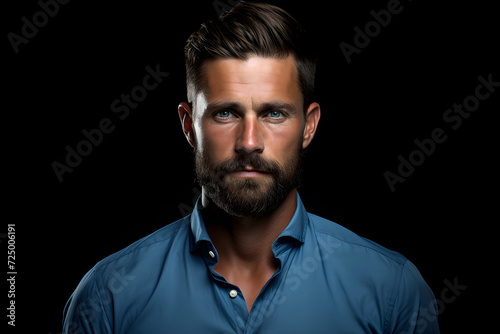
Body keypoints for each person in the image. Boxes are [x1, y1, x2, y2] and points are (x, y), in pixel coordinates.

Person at [62, 2, 439, 333]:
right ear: (187, 125)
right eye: (226, 113)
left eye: (274, 113)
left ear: (308, 126)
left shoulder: (393, 292)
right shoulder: (108, 295)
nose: (248, 142)